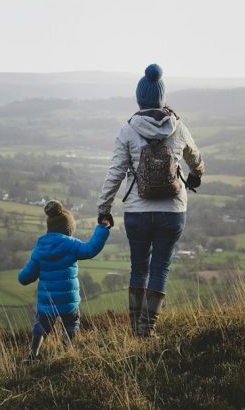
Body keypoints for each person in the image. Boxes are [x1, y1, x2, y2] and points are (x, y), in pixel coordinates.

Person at [97, 64, 205, 337]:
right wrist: (196, 177)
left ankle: (135, 330)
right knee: (160, 267)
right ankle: (148, 328)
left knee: (139, 268)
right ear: (162, 97)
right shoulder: (178, 126)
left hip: (137, 212)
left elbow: (115, 173)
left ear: (139, 98)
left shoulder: (128, 129)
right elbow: (196, 159)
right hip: (172, 211)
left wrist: (104, 208)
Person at [18, 200, 110, 360]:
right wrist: (102, 229)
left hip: (48, 301)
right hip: (69, 300)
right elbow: (90, 249)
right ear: (69, 229)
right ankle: (67, 350)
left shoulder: (40, 248)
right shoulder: (71, 245)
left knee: (41, 325)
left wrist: (22, 276)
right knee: (72, 322)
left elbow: (26, 277)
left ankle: (33, 354)